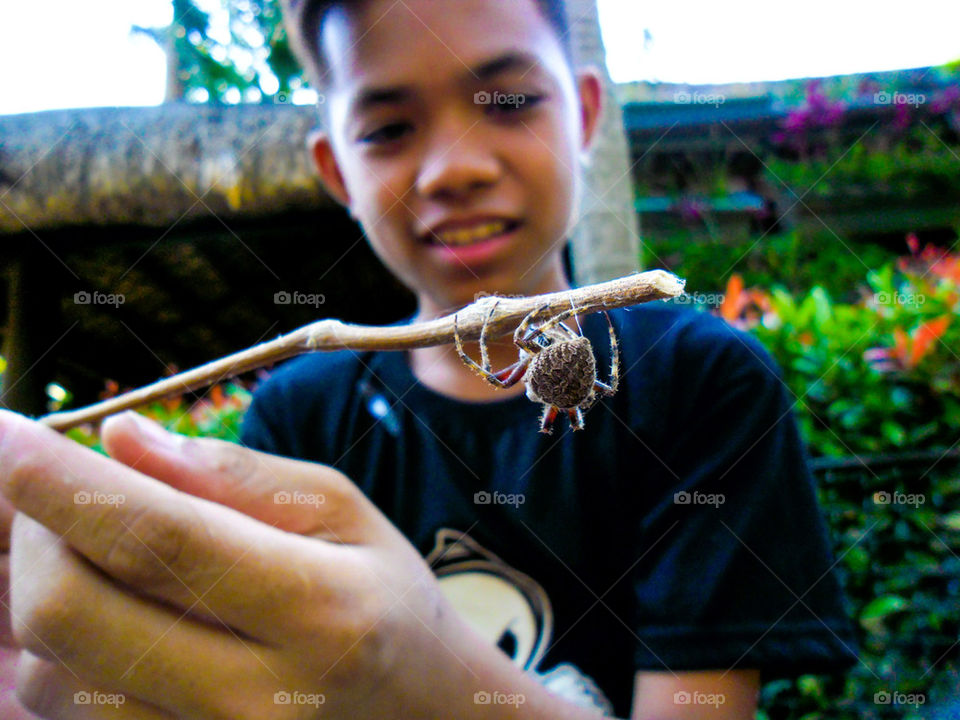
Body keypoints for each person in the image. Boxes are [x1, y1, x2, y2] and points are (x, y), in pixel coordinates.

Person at [0, 0, 857, 717]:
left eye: (510, 100)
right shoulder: (298, 416)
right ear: (336, 170)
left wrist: (431, 680)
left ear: (587, 112)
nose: (454, 169)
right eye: (390, 128)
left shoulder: (701, 379)